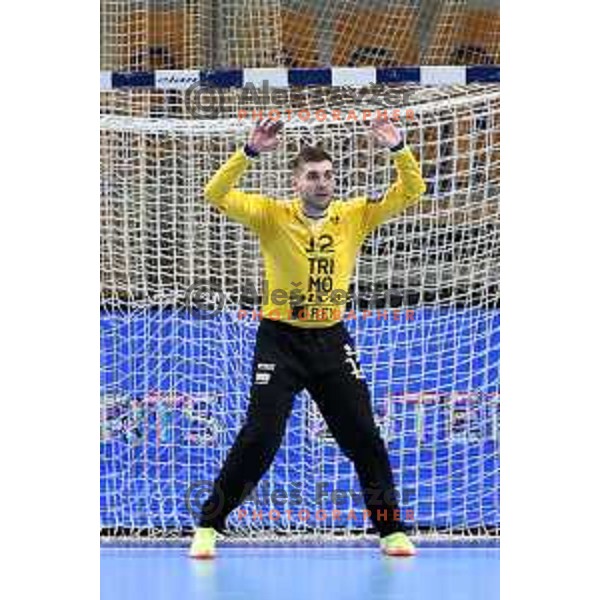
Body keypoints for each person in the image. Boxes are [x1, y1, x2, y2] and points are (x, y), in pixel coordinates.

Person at [189, 116, 426, 558]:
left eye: (329, 175)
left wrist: (399, 149)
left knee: (364, 436)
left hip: (331, 342)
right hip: (280, 340)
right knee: (261, 436)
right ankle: (210, 524)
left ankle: (391, 530)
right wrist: (250, 152)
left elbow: (412, 192)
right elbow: (214, 194)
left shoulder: (353, 215)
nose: (324, 183)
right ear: (295, 182)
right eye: (314, 176)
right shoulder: (271, 215)